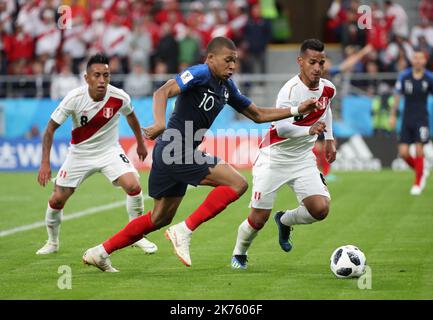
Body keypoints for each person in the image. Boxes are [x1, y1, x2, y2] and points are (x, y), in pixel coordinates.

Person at [82, 36, 324, 272]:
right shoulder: (200, 73)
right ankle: (184, 231)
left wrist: (295, 110)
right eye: (228, 60)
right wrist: (159, 122)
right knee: (237, 183)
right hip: (175, 148)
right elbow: (162, 92)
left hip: (178, 152)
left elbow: (258, 114)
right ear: (210, 58)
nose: (232, 66)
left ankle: (100, 252)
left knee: (159, 218)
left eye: (235, 61)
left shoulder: (226, 87)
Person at [36, 54, 158, 256]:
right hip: (80, 154)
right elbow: (49, 129)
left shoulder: (119, 96)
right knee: (58, 199)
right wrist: (44, 163)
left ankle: (137, 235)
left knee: (133, 185)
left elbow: (132, 117)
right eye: (97, 75)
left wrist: (140, 143)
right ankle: (52, 242)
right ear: (87, 78)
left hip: (110, 151)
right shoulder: (74, 98)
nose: (102, 80)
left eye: (106, 75)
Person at [231, 39, 337, 269]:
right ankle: (239, 253)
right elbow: (281, 128)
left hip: (302, 159)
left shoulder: (328, 88)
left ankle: (285, 220)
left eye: (321, 62)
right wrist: (309, 129)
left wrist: (329, 139)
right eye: (312, 62)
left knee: (321, 209)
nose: (318, 68)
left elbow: (326, 108)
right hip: (274, 157)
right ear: (300, 62)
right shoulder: (289, 91)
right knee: (258, 219)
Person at [389, 50, 433, 195]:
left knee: (419, 149)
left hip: (422, 119)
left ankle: (417, 183)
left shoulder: (429, 78)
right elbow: (397, 95)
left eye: (421, 58)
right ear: (412, 60)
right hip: (407, 119)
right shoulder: (404, 76)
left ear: (424, 61)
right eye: (415, 58)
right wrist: (393, 115)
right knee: (403, 153)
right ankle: (421, 169)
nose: (418, 60)